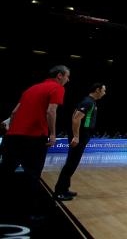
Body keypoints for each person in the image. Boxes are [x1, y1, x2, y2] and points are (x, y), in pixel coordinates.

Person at [0, 65, 70, 219]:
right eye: (67, 76)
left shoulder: (31, 89)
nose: (68, 80)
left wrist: (12, 128)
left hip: (12, 137)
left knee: (5, 172)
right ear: (59, 75)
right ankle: (30, 212)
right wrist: (53, 134)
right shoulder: (57, 88)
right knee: (32, 175)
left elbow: (14, 112)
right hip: (34, 138)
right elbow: (51, 111)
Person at [53, 83, 107, 200]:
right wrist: (76, 136)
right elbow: (76, 118)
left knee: (73, 163)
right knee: (71, 163)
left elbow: (74, 115)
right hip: (81, 135)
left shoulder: (91, 102)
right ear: (97, 90)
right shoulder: (88, 102)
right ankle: (59, 192)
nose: (104, 93)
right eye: (103, 90)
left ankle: (64, 188)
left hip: (83, 135)